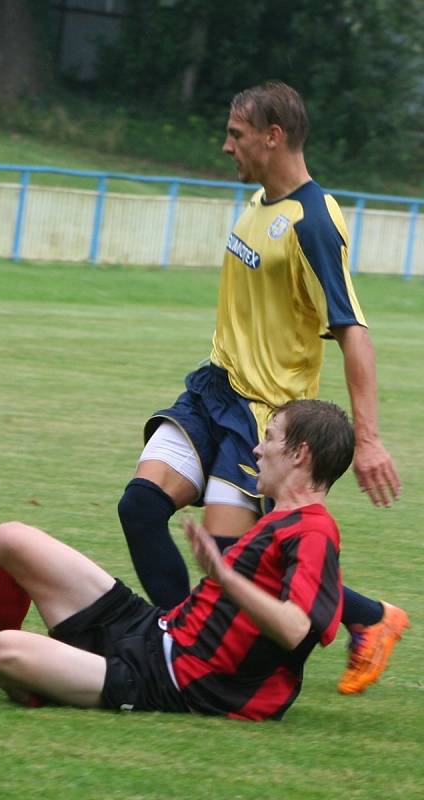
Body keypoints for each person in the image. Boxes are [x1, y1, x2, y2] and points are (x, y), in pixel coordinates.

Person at [117, 80, 409, 696]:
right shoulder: (257, 200)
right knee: (140, 507)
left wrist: (370, 441)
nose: (226, 146)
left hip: (260, 416)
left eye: (236, 134)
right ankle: (175, 641)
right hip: (212, 389)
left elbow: (353, 333)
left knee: (233, 559)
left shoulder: (311, 223)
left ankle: (372, 617)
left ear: (273, 138)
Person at [0, 400, 356, 721]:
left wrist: (222, 574)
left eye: (270, 439)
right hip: (157, 631)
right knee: (9, 540)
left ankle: (25, 673)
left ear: (299, 454)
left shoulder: (313, 531)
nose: (257, 450)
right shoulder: (279, 519)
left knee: (9, 651)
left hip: (174, 680)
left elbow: (296, 627)